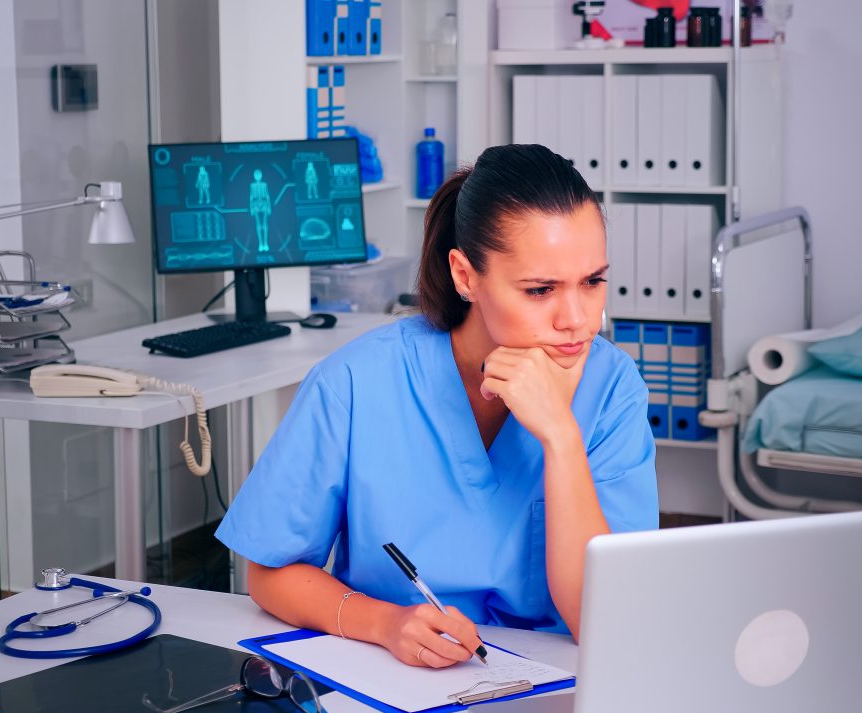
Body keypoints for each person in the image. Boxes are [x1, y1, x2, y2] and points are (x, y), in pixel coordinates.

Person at [216, 144, 657, 669]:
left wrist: (561, 437)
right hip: (395, 675)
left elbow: (605, 620)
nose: (576, 319)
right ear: (466, 276)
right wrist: (384, 623)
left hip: (557, 680)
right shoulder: (356, 383)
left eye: (593, 282)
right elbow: (269, 573)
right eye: (540, 290)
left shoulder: (611, 388)